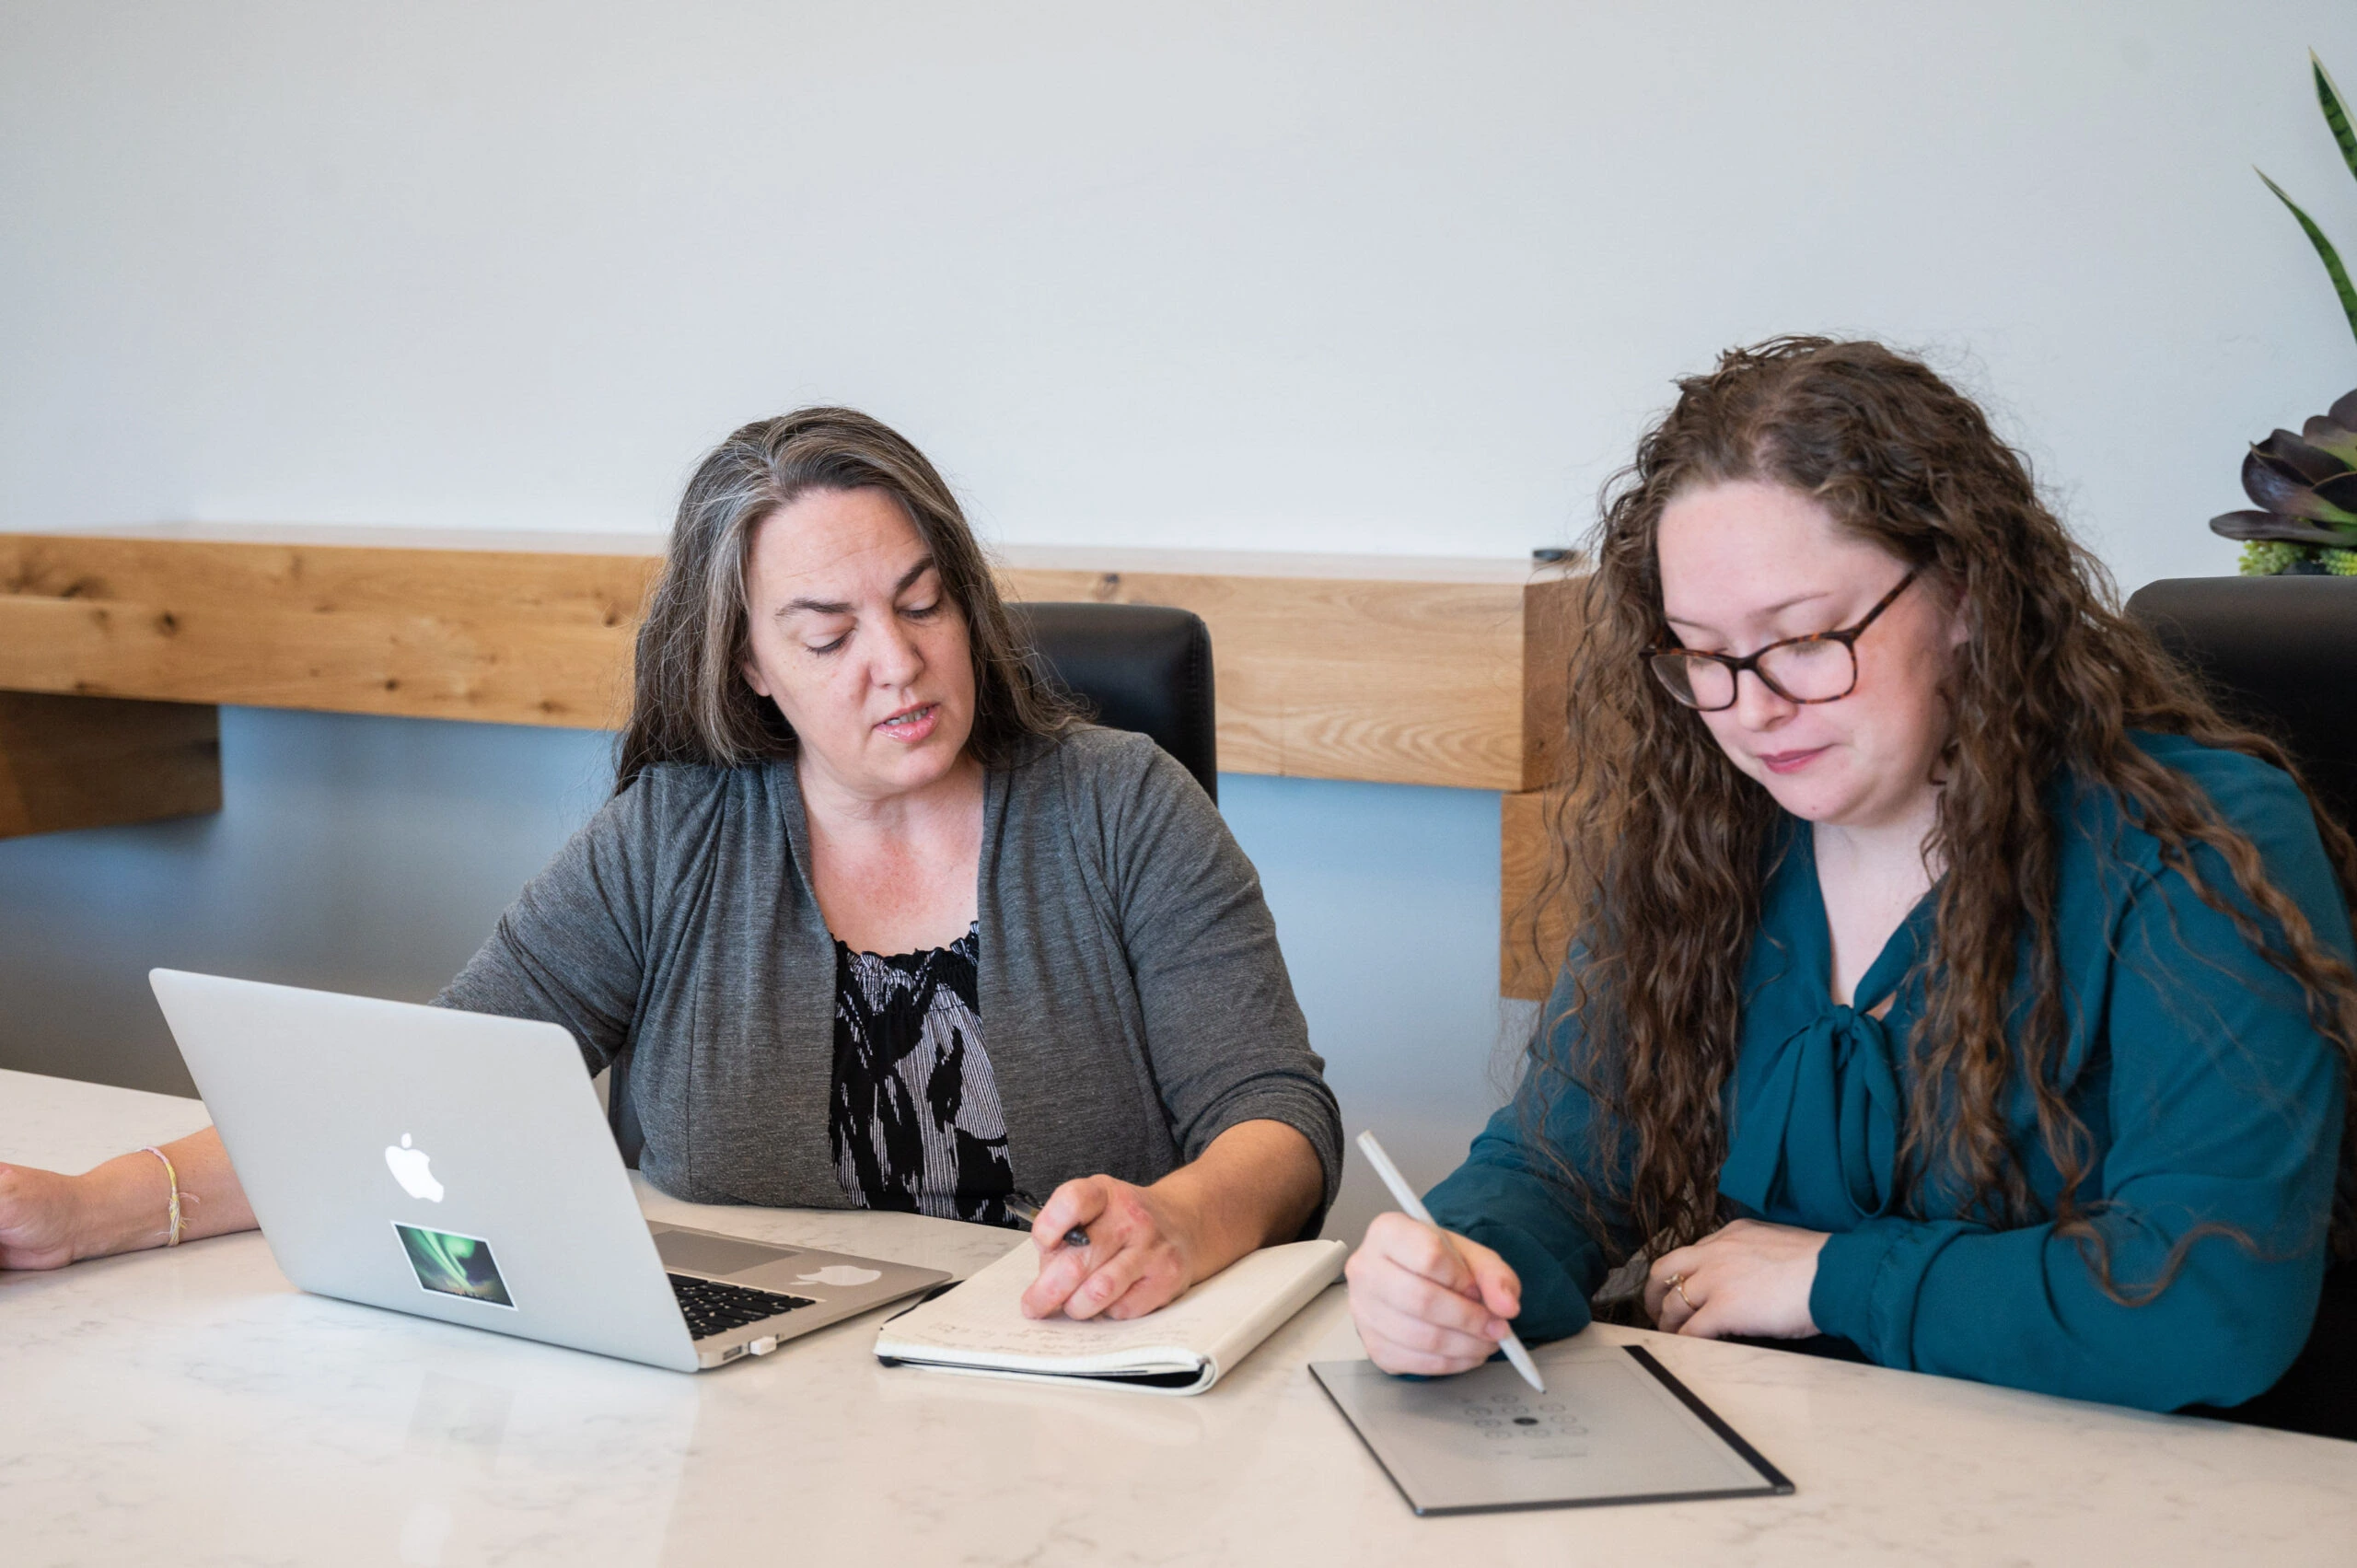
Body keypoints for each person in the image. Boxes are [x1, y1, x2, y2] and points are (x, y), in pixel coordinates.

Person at [0, 408, 1341, 1323]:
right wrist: (87, 1207)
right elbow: (425, 1098)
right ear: (749, 662)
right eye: (828, 633)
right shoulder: (676, 835)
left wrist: (1183, 1217)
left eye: (922, 601)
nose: (898, 660)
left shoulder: (1119, 806)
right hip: (746, 1404)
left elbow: (1275, 1113)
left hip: (1073, 1372)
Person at [1347, 337, 2357, 1416]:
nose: (1752, 708)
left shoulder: (2192, 840)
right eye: (1703, 654)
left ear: (1965, 591)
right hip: (1795, 1460)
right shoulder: (1702, 843)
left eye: (1804, 637)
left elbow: (2210, 1301)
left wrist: (1829, 1276)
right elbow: (1557, 1169)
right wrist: (1457, 1264)